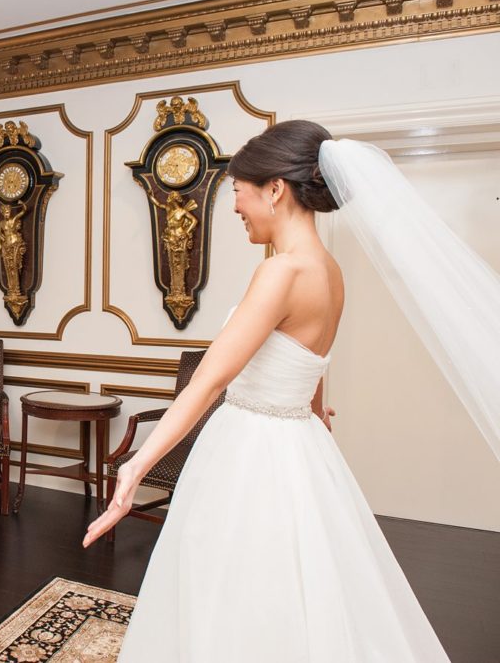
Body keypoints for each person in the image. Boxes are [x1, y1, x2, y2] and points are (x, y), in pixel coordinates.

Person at [83, 121, 450, 661]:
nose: (235, 205)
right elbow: (310, 357)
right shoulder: (330, 271)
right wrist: (315, 408)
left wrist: (134, 469)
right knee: (294, 589)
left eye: (238, 190)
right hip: (301, 444)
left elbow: (210, 379)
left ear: (275, 189)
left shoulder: (282, 272)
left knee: (233, 586)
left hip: (251, 449)